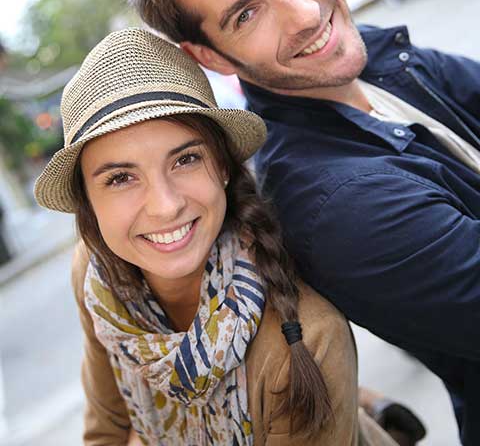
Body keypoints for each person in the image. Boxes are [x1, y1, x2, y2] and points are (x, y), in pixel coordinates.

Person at [127, 0, 480, 446]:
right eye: (247, 14)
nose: (306, 14)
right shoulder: (339, 204)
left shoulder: (377, 60)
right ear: (210, 55)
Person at [34, 28, 406, 446]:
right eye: (121, 178)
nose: (165, 206)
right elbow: (106, 429)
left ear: (223, 167)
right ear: (88, 202)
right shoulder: (97, 276)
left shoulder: (309, 339)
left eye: (185, 160)